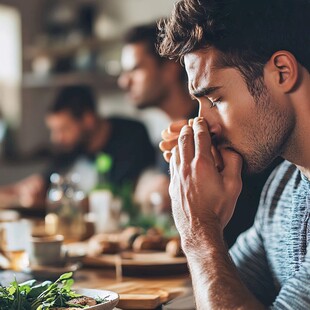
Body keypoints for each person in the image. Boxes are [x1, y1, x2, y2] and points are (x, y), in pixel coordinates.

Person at [158, 0, 310, 309]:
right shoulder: (283, 187)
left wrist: (199, 230)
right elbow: (217, 293)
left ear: (282, 72)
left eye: (214, 98)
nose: (202, 124)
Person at [1, 85, 155, 207]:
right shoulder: (71, 147)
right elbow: (40, 183)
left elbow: (118, 198)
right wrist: (26, 190)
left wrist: (48, 203)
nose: (56, 138)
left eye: (63, 129)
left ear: (88, 120)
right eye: (54, 130)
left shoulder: (131, 135)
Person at [118, 23, 198, 214]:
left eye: (135, 69)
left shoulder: (202, 129)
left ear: (170, 69)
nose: (123, 81)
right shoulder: (168, 133)